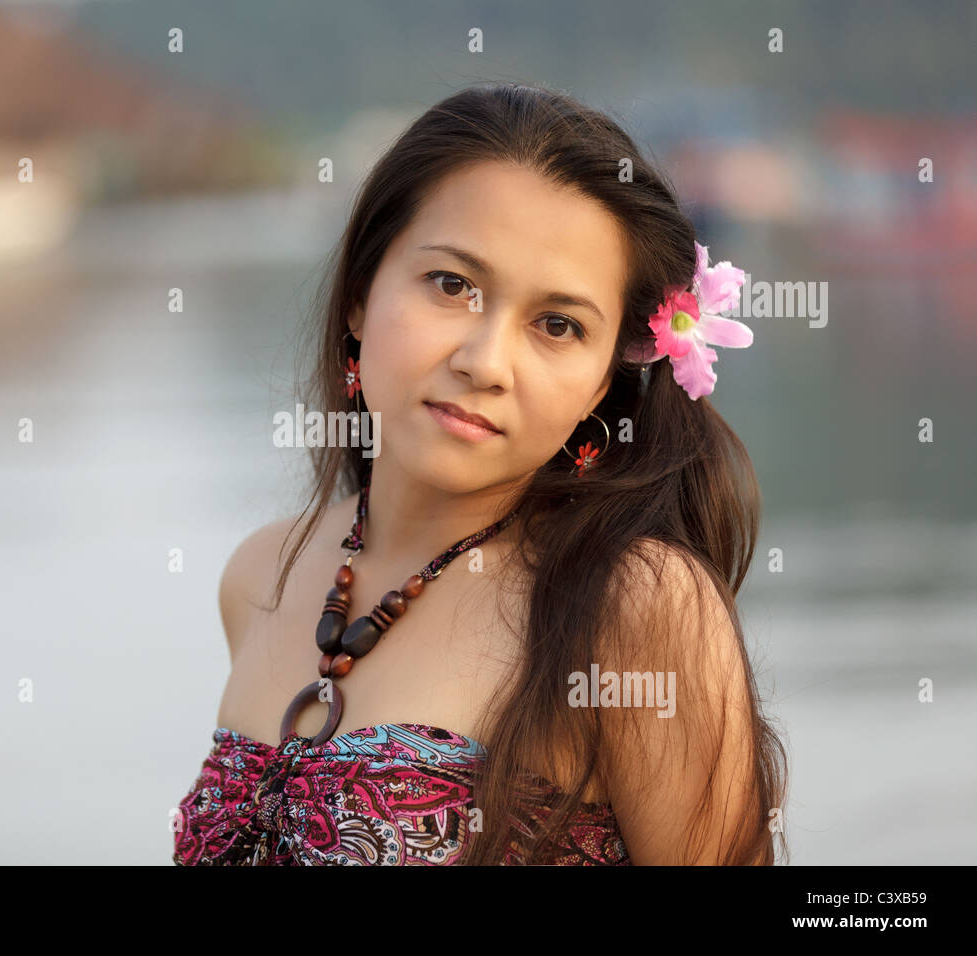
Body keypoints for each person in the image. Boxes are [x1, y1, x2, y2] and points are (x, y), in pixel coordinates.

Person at [173, 82, 788, 865]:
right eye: (453, 286)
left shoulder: (632, 609)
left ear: (604, 380)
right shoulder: (260, 576)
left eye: (557, 325)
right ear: (361, 294)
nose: (485, 361)